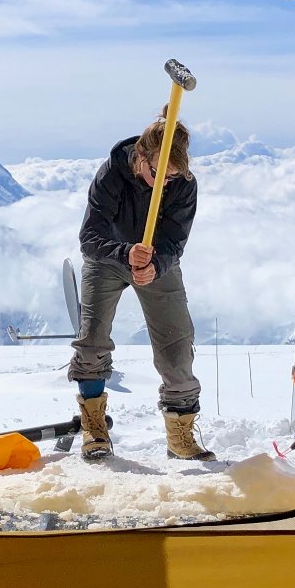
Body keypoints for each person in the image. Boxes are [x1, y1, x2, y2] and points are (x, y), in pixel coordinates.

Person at [68, 106, 215, 462]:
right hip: (107, 260)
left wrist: (156, 263)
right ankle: (94, 425)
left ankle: (180, 433)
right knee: (92, 339)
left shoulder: (183, 184)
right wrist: (124, 252)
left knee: (177, 346)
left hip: (155, 264)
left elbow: (175, 239)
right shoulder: (112, 174)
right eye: (158, 173)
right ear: (141, 157)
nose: (166, 182)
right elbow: (89, 236)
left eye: (173, 176)